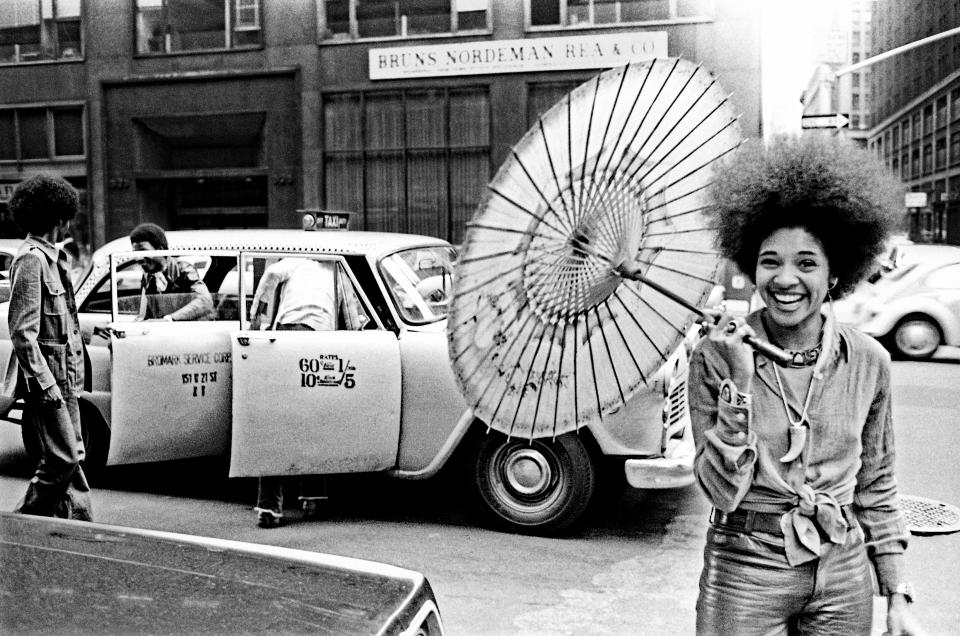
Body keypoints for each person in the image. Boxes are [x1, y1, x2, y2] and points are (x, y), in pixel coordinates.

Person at [689, 136, 923, 636]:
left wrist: (897, 595)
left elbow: (876, 485)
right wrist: (739, 383)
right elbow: (719, 491)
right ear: (751, 266)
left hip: (843, 570)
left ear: (836, 270)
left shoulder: (869, 360)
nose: (785, 278)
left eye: (806, 262)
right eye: (770, 261)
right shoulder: (716, 354)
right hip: (744, 571)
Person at [248, 257, 364, 528]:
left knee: (278, 422)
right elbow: (350, 314)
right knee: (315, 419)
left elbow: (272, 274)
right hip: (318, 341)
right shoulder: (338, 267)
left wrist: (256, 320)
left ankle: (269, 507)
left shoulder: (295, 261)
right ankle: (313, 498)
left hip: (286, 336)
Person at [6, 174, 92, 520]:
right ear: (60, 217)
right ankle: (19, 523)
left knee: (75, 457)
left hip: (67, 379)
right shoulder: (31, 260)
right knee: (63, 460)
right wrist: (46, 386)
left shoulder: (56, 258)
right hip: (50, 384)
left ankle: (78, 528)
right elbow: (22, 333)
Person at [129, 222, 214, 321]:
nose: (138, 258)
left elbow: (205, 301)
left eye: (143, 251)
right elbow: (145, 312)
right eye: (135, 253)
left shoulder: (184, 269)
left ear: (160, 249)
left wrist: (170, 318)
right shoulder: (147, 275)